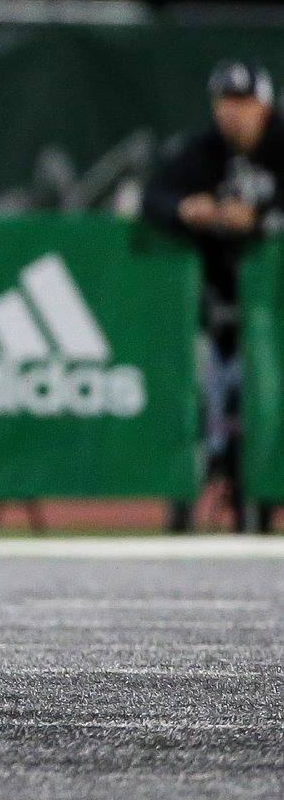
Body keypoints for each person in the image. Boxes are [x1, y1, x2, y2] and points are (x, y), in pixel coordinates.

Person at [143, 61, 284, 532]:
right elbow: (153, 197)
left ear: (264, 106)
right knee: (205, 389)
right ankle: (201, 479)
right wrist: (185, 208)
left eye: (244, 102)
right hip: (217, 302)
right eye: (225, 102)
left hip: (277, 307)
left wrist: (262, 219)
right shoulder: (203, 152)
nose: (233, 113)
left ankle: (265, 491)